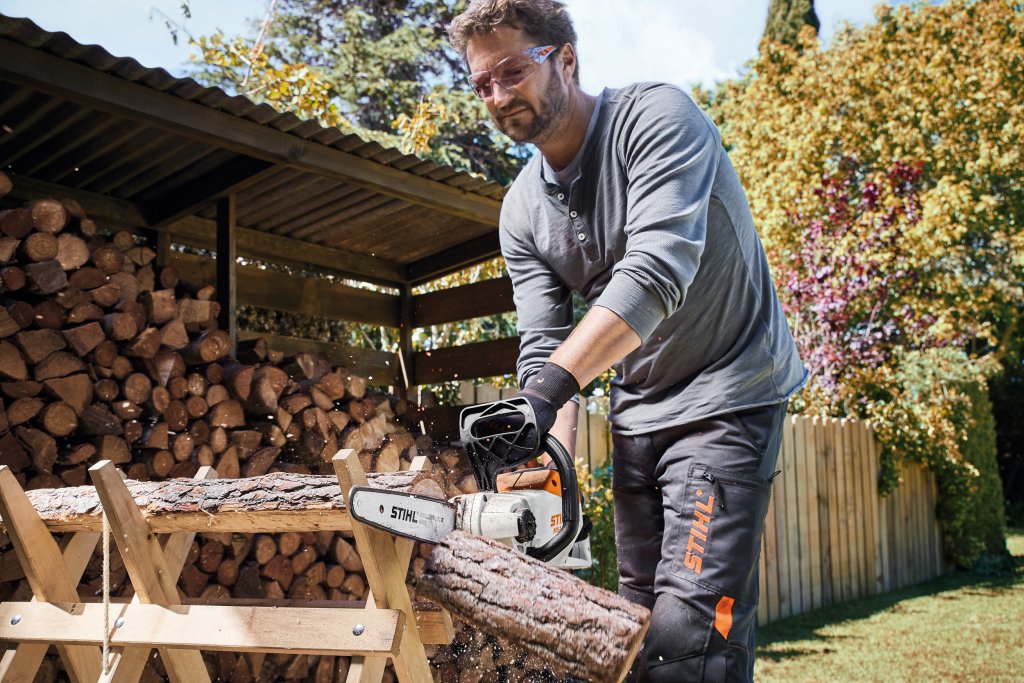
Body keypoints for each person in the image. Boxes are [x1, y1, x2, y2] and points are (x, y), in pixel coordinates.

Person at [448, 1, 807, 680]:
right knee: (643, 628)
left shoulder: (657, 119)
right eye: (481, 83)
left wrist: (548, 391)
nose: (497, 95)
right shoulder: (520, 211)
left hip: (728, 393)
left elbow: (655, 275)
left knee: (686, 635)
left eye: (511, 70)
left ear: (566, 60)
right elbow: (543, 342)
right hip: (639, 414)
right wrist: (547, 463)